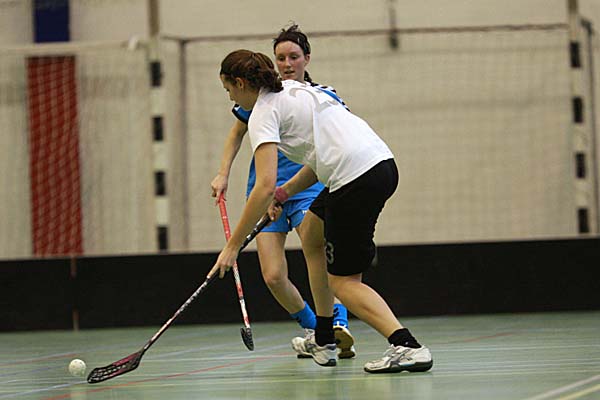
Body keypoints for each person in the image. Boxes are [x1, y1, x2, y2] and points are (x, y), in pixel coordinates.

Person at [208, 49, 433, 373]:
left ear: (241, 83)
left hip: (353, 179)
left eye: (228, 89)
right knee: (312, 230)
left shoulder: (262, 113)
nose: (230, 97)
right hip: (380, 165)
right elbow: (317, 162)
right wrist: (285, 193)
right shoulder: (299, 90)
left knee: (343, 283)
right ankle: (324, 337)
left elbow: (264, 185)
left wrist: (232, 247)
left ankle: (407, 346)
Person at [210, 25, 355, 359]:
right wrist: (223, 173)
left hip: (306, 188)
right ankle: (314, 329)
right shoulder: (260, 99)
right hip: (265, 192)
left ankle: (337, 323)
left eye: (293, 57)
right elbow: (236, 134)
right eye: (280, 58)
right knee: (274, 275)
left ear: (307, 59)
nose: (287, 64)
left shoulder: (319, 95)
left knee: (316, 255)